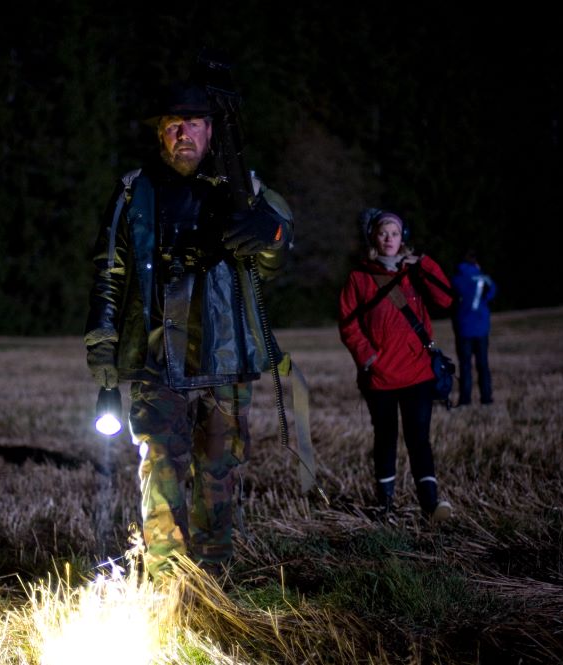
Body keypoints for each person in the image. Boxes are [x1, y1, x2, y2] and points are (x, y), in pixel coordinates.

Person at [84, 81, 294, 579]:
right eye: (172, 126)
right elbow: (109, 270)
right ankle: (168, 586)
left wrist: (273, 232)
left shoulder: (244, 189)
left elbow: (273, 259)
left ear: (210, 130)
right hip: (159, 358)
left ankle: (215, 581)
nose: (183, 134)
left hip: (227, 359)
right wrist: (102, 340)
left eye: (193, 124)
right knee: (161, 473)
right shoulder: (135, 190)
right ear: (160, 134)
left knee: (219, 474)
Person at [338, 208, 453, 522]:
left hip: (417, 373)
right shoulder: (359, 277)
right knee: (385, 437)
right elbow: (348, 324)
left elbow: (445, 300)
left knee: (419, 438)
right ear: (373, 237)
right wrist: (367, 356)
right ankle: (384, 503)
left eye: (395, 232)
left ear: (404, 237)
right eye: (383, 233)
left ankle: (430, 504)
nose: (389, 239)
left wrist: (425, 263)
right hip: (379, 377)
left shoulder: (415, 271)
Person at [450, 249, 496, 406]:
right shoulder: (483, 278)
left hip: (463, 328)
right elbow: (492, 293)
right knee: (483, 364)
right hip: (481, 327)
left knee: (465, 366)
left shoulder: (456, 279)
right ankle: (486, 397)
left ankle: (465, 399)